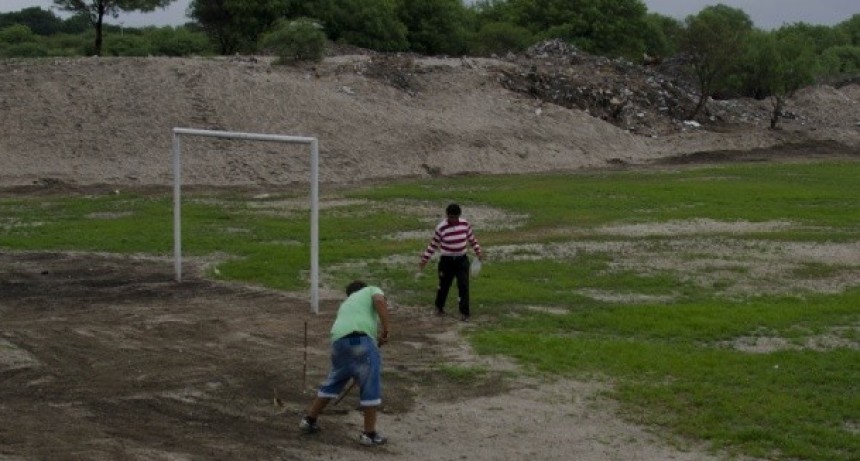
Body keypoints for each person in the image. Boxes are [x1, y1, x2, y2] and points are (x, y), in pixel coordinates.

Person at [299, 280, 391, 446]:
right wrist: (386, 329)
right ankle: (369, 434)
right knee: (370, 385)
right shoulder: (371, 289)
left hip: (338, 343)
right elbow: (379, 300)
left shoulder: (346, 304)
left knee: (334, 381)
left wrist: (357, 370)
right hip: (361, 340)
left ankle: (309, 420)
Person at [418, 203, 483, 321]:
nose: (453, 220)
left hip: (461, 259)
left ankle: (465, 312)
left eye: (455, 217)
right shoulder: (441, 227)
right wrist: (425, 259)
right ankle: (439, 306)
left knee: (463, 285)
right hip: (447, 261)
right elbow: (433, 245)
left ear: (459, 216)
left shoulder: (464, 224)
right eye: (451, 217)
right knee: (444, 285)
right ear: (447, 215)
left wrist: (478, 251)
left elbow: (472, 239)